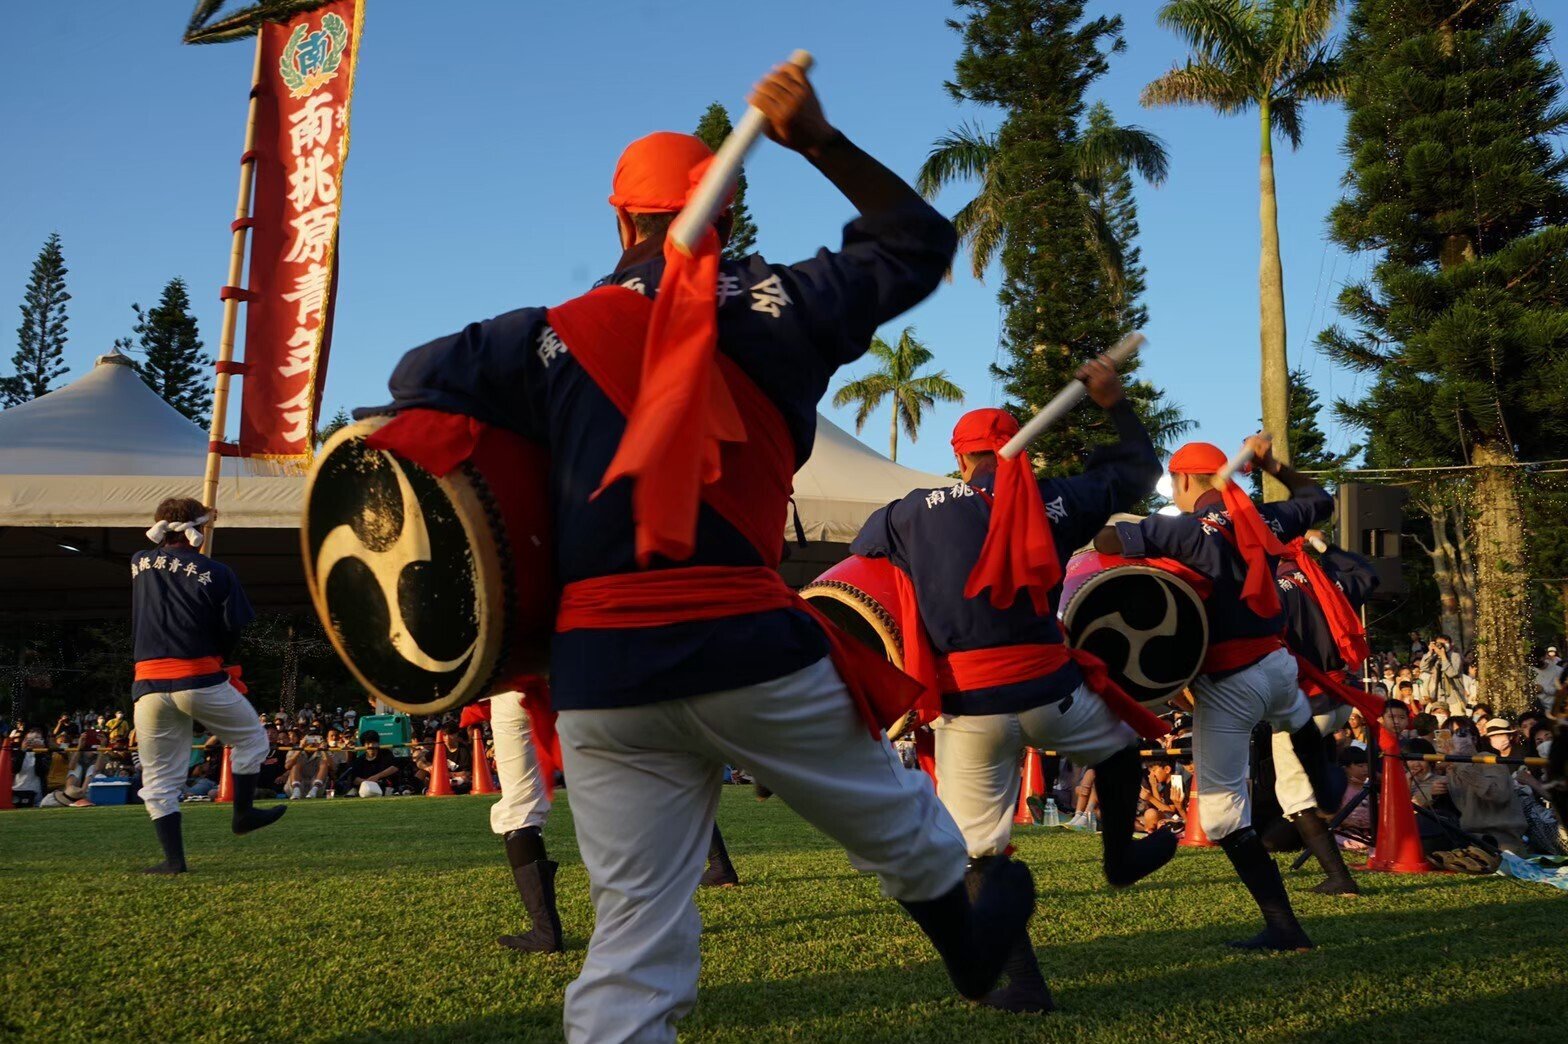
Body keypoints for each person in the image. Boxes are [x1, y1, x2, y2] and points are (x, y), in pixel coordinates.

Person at [370, 64, 1034, 1041]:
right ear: (721, 216)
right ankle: (970, 951)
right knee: (904, 831)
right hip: (746, 645)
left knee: (632, 946)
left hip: (598, 672)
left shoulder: (546, 335)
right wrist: (818, 139)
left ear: (619, 221)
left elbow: (414, 376)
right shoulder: (780, 303)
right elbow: (918, 240)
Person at [848, 360, 1172, 1012]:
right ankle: (1119, 856)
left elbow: (860, 572)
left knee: (977, 857)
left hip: (968, 707)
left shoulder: (908, 512)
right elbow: (1139, 472)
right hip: (1054, 695)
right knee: (1115, 751)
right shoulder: (1056, 499)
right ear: (1017, 448)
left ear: (961, 458)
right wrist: (1114, 403)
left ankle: (1026, 984)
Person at [1094, 435, 1334, 951]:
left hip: (1231, 681)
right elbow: (1322, 500)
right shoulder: (1267, 518)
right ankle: (1325, 774)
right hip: (1279, 666)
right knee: (1294, 720)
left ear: (1182, 480)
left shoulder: (1182, 529)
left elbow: (1107, 544)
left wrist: (1137, 534)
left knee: (1224, 816)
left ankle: (1284, 926)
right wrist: (1277, 466)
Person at [130, 498, 284, 873]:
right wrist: (223, 659)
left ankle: (173, 860)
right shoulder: (218, 572)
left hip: (147, 684)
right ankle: (243, 814)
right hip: (198, 676)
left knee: (159, 778)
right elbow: (234, 626)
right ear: (199, 529)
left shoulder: (138, 562)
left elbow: (164, 565)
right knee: (251, 740)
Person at [1262, 528, 1378, 896]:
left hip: (1305, 704)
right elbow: (1368, 575)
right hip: (1342, 698)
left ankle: (1339, 877)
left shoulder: (1271, 590)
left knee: (1294, 794)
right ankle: (1324, 794)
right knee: (1308, 780)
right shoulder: (1323, 576)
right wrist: (1323, 546)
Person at [459, 686, 565, 954]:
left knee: (520, 808)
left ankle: (545, 932)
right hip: (589, 667)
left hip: (517, 684)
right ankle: (639, 925)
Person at [338, 730, 401, 797]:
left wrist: (377, 776)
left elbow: (395, 767)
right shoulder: (360, 760)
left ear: (378, 743)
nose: (371, 745)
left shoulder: (386, 753)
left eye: (374, 743)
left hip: (385, 785)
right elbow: (354, 778)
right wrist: (366, 782)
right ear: (363, 745)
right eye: (368, 743)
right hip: (365, 787)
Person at [1421, 635, 1465, 715]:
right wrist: (1430, 652)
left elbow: (1452, 673)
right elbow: (1423, 667)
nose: (1442, 646)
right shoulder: (1434, 657)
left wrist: (1443, 656)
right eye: (1439, 644)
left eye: (1444, 644)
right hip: (1437, 697)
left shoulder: (1455, 656)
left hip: (1453, 697)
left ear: (1451, 644)